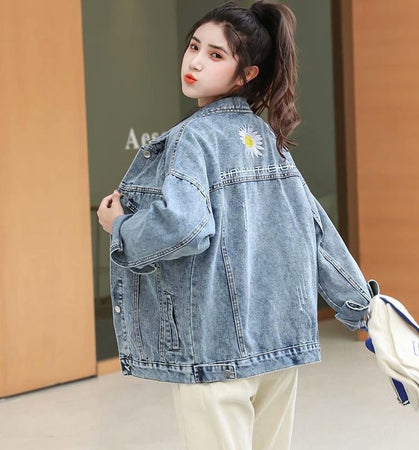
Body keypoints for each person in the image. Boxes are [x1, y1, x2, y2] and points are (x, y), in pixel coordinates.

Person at [97, 1, 378, 448]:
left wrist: (121, 227)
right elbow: (316, 231)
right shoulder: (267, 139)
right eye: (194, 46)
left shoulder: (193, 138)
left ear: (247, 74)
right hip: (278, 346)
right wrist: (365, 308)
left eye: (215, 55)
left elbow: (185, 227)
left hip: (214, 349)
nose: (194, 62)